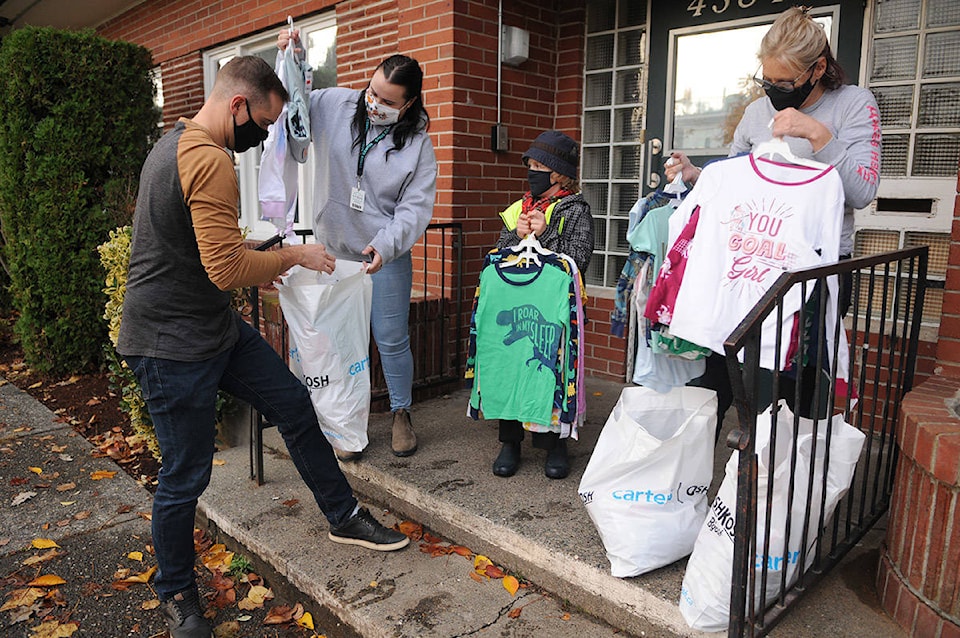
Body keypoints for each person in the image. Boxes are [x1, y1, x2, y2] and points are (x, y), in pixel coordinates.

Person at [116, 56, 409, 638]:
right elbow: (225, 269)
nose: (266, 135)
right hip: (169, 345)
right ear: (236, 106)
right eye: (264, 123)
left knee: (296, 407)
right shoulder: (208, 160)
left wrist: (261, 248)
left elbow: (209, 246)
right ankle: (177, 593)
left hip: (215, 331)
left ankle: (343, 515)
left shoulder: (176, 142)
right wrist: (294, 255)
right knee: (184, 475)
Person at [664, 5, 881, 426]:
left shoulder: (853, 105)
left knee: (796, 383)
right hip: (748, 261)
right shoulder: (754, 114)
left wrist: (818, 135)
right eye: (767, 80)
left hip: (815, 270)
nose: (774, 91)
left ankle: (784, 478)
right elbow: (733, 185)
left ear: (818, 68)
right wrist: (697, 177)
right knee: (722, 368)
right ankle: (702, 474)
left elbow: (861, 191)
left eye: (786, 82)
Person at [279, 30, 438, 461]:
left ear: (408, 104)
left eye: (387, 101)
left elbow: (414, 208)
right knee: (335, 340)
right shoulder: (335, 105)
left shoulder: (417, 146)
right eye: (372, 91)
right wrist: (294, 59)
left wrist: (386, 245)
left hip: (381, 257)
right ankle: (344, 418)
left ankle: (401, 413)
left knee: (390, 338)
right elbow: (294, 107)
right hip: (333, 253)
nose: (374, 103)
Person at [490, 130, 593, 479]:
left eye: (538, 166)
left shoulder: (576, 210)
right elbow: (498, 258)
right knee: (512, 368)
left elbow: (578, 258)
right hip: (517, 306)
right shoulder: (519, 207)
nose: (531, 172)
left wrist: (547, 232)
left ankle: (554, 443)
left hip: (556, 313)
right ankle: (510, 441)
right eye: (530, 165)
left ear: (558, 174)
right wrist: (514, 237)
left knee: (551, 371)